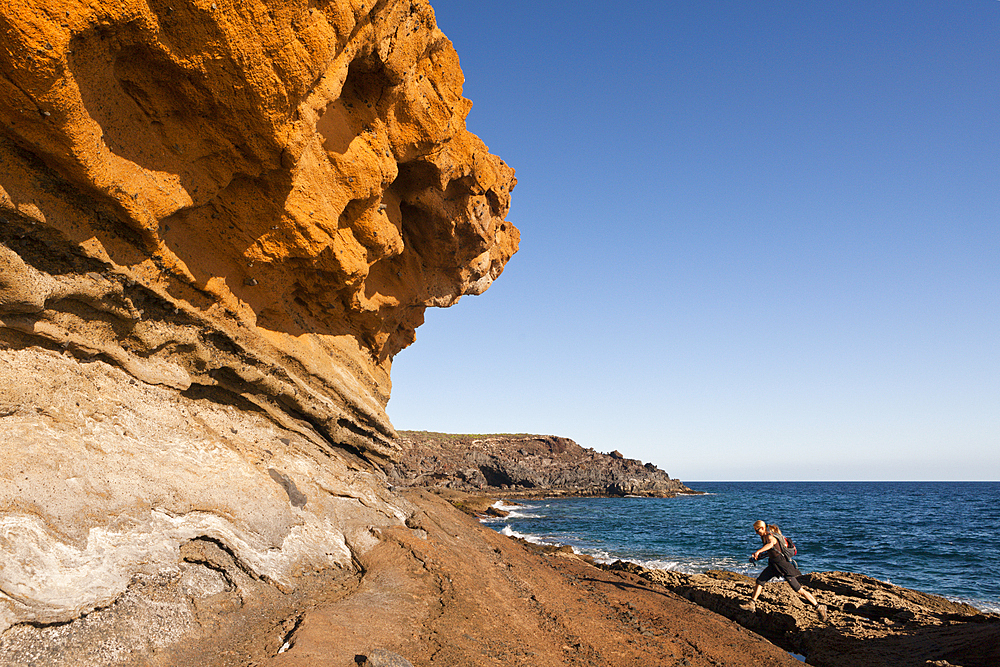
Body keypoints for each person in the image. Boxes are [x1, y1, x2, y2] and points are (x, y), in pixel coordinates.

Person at [743, 520, 828, 622]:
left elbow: (771, 544)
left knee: (798, 590)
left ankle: (819, 607)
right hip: (773, 565)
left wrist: (758, 551)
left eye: (757, 531)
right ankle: (752, 603)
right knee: (760, 581)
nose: (756, 533)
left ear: (762, 528)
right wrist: (758, 556)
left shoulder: (770, 536)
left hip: (783, 566)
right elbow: (771, 551)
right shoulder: (763, 537)